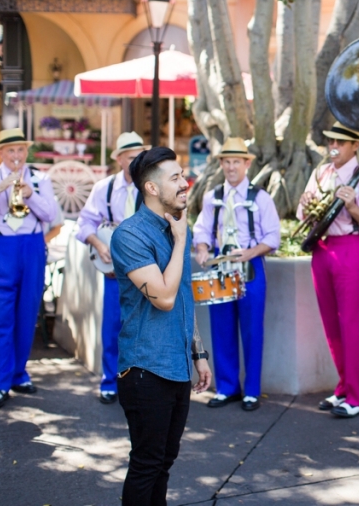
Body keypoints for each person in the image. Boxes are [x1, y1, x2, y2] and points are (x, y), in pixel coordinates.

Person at [110, 147, 212, 505]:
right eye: (175, 178)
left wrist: (198, 352)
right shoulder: (130, 235)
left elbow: (183, 297)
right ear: (151, 189)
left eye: (183, 175)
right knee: (147, 463)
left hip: (177, 364)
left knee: (164, 463)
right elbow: (164, 298)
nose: (185, 184)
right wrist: (182, 240)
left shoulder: (175, 225)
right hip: (145, 367)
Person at [297, 121, 359, 418]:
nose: (332, 147)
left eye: (339, 142)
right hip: (322, 249)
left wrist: (353, 208)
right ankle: (343, 387)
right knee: (331, 323)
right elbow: (304, 214)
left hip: (351, 247)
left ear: (354, 146)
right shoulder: (321, 173)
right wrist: (305, 204)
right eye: (330, 141)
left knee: (351, 323)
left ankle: (358, 396)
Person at [193, 137, 280, 411]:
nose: (231, 167)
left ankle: (251, 390)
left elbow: (273, 236)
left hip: (250, 267)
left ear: (246, 164)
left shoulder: (261, 197)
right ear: (221, 164)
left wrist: (252, 252)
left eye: (236, 162)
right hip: (222, 267)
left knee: (252, 329)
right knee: (221, 327)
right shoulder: (212, 197)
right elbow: (202, 228)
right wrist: (203, 248)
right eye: (227, 162)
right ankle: (227, 387)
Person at [75, 131, 149, 404]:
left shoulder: (150, 186)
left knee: (145, 327)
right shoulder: (103, 188)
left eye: (140, 157)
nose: (136, 162)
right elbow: (84, 224)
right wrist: (98, 243)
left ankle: (141, 383)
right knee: (114, 327)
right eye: (131, 158)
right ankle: (110, 381)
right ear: (119, 159)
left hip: (146, 270)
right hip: (114, 271)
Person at [0, 128, 58, 409]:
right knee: (0, 317)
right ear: (1, 154)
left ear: (26, 152)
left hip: (31, 246)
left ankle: (19, 373)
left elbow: (53, 217)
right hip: (1, 247)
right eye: (10, 151)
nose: (16, 156)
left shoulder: (41, 180)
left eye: (20, 150)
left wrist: (30, 194)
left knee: (27, 312)